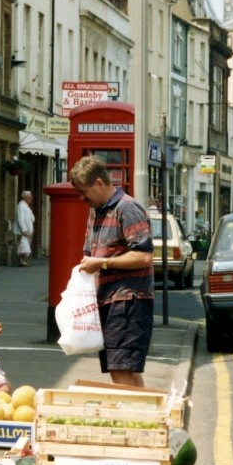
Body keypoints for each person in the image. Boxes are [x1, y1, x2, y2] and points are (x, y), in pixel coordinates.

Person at [69, 155, 154, 387]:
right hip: (109, 300)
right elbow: (93, 256)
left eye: (83, 191)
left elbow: (144, 256)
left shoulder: (127, 208)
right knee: (124, 369)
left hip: (128, 300)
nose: (81, 197)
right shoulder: (96, 212)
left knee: (121, 368)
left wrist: (102, 263)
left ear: (98, 182)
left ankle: (128, 419)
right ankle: (141, 417)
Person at [15, 190, 35, 266]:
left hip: (28, 230)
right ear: (25, 198)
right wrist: (23, 229)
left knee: (26, 246)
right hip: (23, 231)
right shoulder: (21, 206)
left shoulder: (25, 206)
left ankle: (24, 261)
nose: (31, 199)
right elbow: (21, 218)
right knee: (22, 246)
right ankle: (22, 261)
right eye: (30, 197)